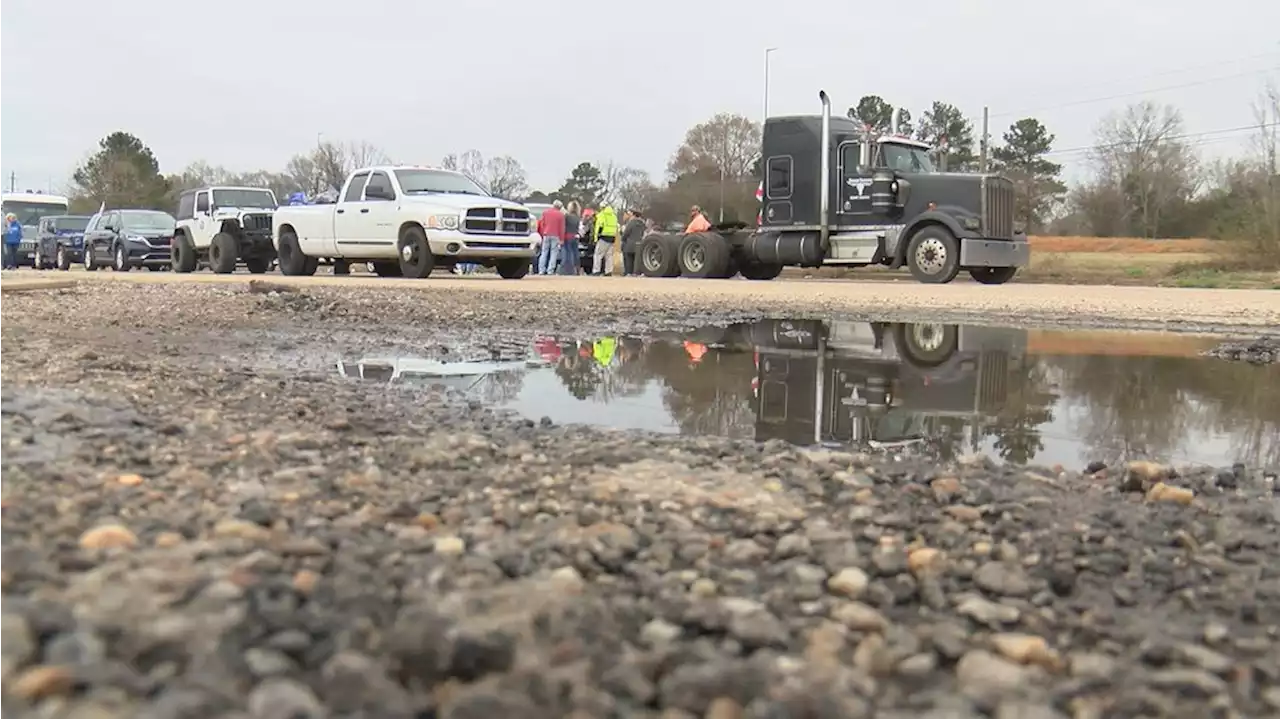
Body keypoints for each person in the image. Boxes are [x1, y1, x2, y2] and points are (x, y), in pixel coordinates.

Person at [537, 200, 566, 275]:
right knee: (554, 253)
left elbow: (542, 224)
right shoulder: (561, 215)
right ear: (560, 207)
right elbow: (562, 228)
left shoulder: (545, 212)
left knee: (544, 252)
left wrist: (543, 233)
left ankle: (541, 270)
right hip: (555, 235)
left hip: (546, 234)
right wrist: (561, 239)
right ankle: (550, 270)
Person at [592, 204, 618, 275]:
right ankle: (608, 271)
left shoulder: (601, 215)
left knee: (598, 255)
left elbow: (599, 226)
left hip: (603, 237)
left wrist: (596, 237)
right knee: (609, 256)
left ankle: (596, 271)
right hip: (612, 237)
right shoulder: (614, 216)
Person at [619, 209, 646, 276]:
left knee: (628, 259)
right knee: (636, 260)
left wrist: (622, 239)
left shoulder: (631, 223)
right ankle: (636, 273)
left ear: (634, 215)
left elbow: (626, 233)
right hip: (639, 244)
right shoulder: (642, 224)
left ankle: (628, 273)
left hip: (629, 244)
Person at [561, 201, 582, 276]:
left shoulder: (567, 216)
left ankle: (569, 269)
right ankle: (577, 269)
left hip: (567, 236)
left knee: (568, 253)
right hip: (575, 236)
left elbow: (563, 226)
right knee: (575, 253)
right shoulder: (578, 217)